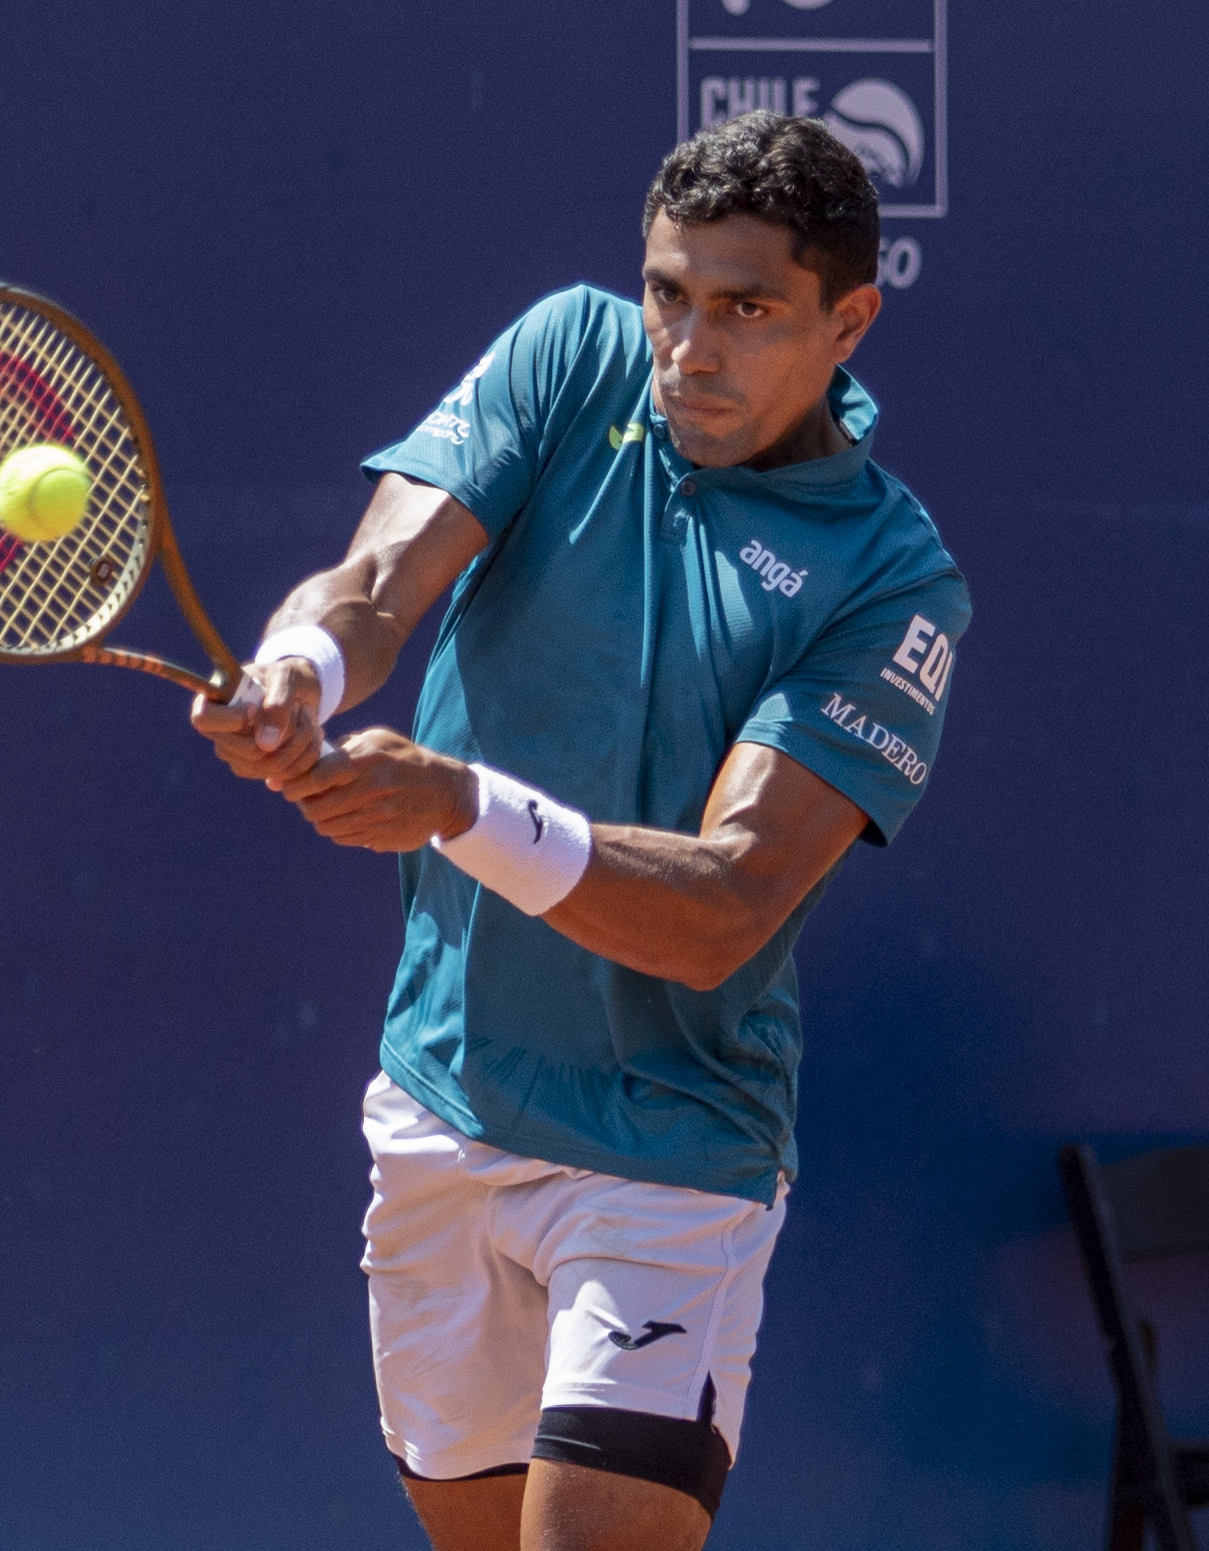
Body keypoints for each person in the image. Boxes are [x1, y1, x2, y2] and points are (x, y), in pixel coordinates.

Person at [190, 111, 970, 1551]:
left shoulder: (888, 578)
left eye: (746, 310)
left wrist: (460, 804)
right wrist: (298, 668)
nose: (689, 345)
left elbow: (723, 907)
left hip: (670, 1146)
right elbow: (372, 582)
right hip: (445, 1102)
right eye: (669, 295)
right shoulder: (570, 355)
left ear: (846, 320)